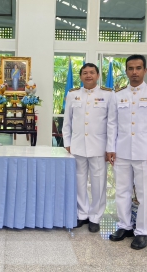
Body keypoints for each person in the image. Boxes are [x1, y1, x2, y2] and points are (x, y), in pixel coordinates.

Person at [106, 54, 147, 250]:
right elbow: (112, 124)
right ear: (126, 71)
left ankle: (142, 232)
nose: (134, 72)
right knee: (122, 191)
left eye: (138, 68)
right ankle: (124, 226)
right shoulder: (118, 95)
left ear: (145, 71)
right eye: (130, 68)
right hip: (122, 151)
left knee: (144, 194)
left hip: (145, 153)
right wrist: (110, 148)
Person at [62, 63, 115, 233]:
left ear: (98, 75)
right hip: (77, 146)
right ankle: (82, 214)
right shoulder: (73, 94)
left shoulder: (108, 95)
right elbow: (67, 122)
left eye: (92, 72)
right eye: (85, 73)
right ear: (81, 77)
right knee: (79, 181)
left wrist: (110, 147)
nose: (88, 75)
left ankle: (95, 216)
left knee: (99, 182)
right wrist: (67, 143)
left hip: (99, 147)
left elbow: (112, 124)